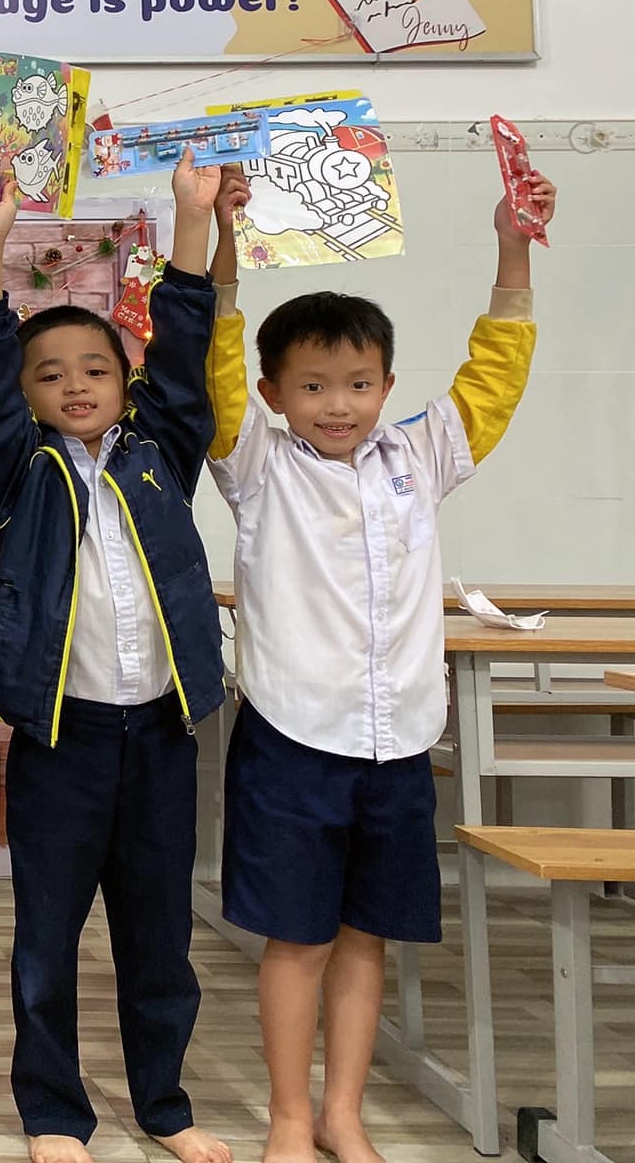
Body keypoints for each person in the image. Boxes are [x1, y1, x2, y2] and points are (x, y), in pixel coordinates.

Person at [208, 164, 555, 1163]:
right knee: (297, 937)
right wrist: (223, 240)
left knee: (366, 935)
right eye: (313, 387)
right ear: (274, 394)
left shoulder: (419, 454)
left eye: (358, 385)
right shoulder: (255, 463)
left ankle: (341, 1113)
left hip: (397, 741)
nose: (338, 405)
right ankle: (287, 1116)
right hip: (292, 740)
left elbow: (494, 370)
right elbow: (215, 358)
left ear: (386, 388)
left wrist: (512, 244)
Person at [0, 156, 231, 1163]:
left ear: (124, 383)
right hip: (60, 743)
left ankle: (164, 1105)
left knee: (159, 938)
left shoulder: (162, 456)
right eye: (50, 374)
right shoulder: (15, 472)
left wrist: (190, 222)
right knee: (46, 940)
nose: (75, 385)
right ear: (27, 396)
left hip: (158, 737)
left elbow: (185, 354)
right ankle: (53, 1113)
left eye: (95, 369)